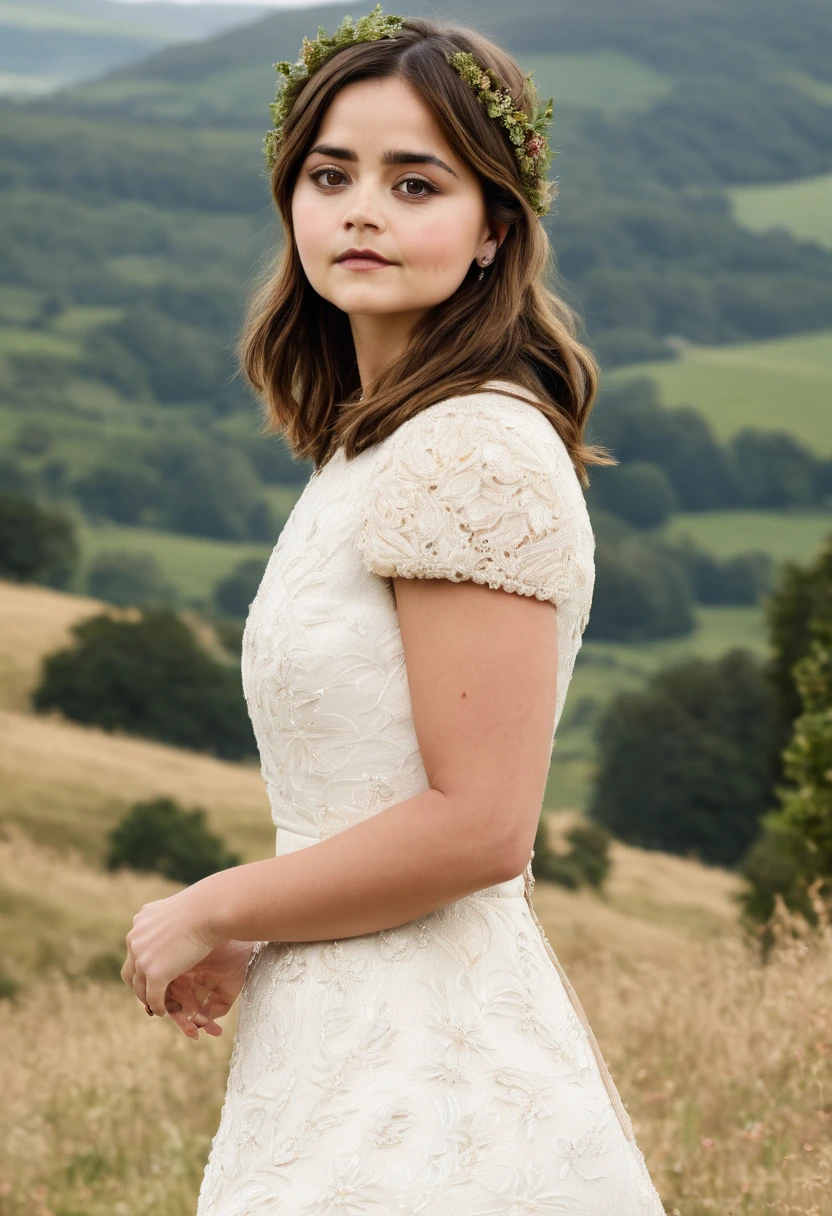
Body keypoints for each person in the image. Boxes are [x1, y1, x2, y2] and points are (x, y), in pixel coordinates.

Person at [120, 6, 666, 1212]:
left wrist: (212, 902)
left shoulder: (469, 447)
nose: (360, 208)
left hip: (430, 1075)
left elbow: (479, 828)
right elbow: (371, 794)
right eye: (331, 174)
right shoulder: (373, 447)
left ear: (490, 232)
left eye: (414, 183)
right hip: (339, 1032)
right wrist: (265, 933)